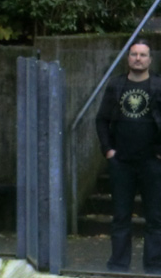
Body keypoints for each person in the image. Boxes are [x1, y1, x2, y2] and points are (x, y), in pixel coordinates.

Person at [96, 39, 161, 273]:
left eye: (143, 55)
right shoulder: (116, 86)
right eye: (134, 54)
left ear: (150, 60)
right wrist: (108, 151)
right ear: (128, 58)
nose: (138, 58)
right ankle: (118, 265)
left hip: (152, 163)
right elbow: (101, 119)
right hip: (121, 163)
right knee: (121, 216)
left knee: (155, 217)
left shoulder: (158, 86)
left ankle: (154, 266)